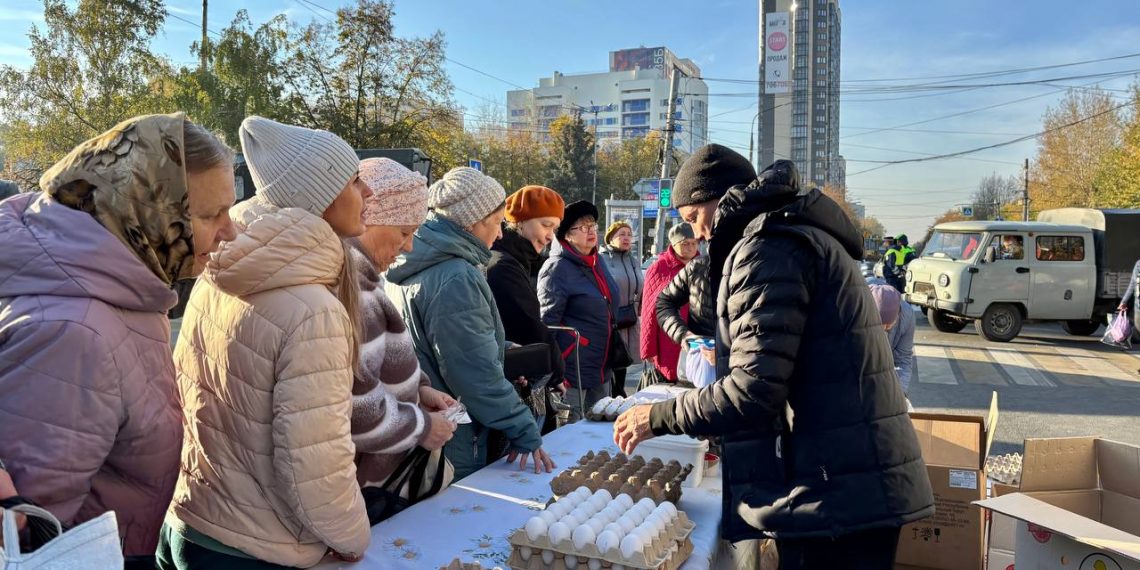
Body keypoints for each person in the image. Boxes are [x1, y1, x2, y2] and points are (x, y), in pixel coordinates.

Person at [614, 146, 934, 570]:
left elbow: (753, 389)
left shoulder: (767, 249)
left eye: (694, 218)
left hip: (834, 495)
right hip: (848, 481)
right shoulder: (793, 234)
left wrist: (656, 416)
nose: (700, 234)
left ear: (720, 198)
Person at [0, 113, 236, 566]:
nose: (231, 231)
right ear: (145, 210)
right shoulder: (73, 335)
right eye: (210, 215)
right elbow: (35, 537)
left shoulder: (126, 286)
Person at [162, 117, 373, 569]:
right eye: (356, 180)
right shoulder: (313, 310)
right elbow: (314, 465)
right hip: (257, 549)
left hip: (191, 520)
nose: (368, 193)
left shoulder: (222, 270)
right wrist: (353, 534)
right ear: (324, 195)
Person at [385, 167, 554, 481]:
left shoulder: (416, 261)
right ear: (474, 222)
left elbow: (438, 341)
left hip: (423, 424)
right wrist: (522, 427)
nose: (500, 234)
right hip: (454, 435)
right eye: (496, 223)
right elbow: (473, 374)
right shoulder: (456, 276)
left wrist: (498, 348)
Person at [346, 157, 458, 493]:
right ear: (370, 219)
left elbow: (377, 364)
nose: (408, 245)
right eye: (404, 231)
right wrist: (422, 429)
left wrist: (418, 387)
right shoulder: (353, 291)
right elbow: (356, 410)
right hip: (367, 483)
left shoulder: (366, 280)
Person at [486, 185, 567, 446]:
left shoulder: (517, 260)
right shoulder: (504, 264)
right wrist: (556, 371)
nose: (549, 237)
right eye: (545, 225)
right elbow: (528, 323)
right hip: (511, 378)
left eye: (554, 229)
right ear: (519, 221)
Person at [538, 200, 619, 422]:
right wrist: (555, 372)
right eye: (582, 227)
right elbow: (547, 325)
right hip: (572, 372)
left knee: (601, 431)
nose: (591, 231)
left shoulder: (596, 260)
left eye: (592, 225)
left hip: (601, 366)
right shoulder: (557, 268)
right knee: (572, 434)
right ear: (567, 235)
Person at [639, 223, 700, 385]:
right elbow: (649, 310)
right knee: (672, 383)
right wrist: (648, 349)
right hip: (669, 336)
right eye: (685, 243)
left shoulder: (703, 264)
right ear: (673, 244)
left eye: (694, 243)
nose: (690, 247)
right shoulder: (659, 267)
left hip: (699, 335)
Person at [600, 220, 644, 398]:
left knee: (623, 357)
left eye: (629, 234)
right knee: (611, 357)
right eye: (621, 234)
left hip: (629, 316)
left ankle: (618, 391)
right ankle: (613, 394)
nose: (626, 238)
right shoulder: (601, 258)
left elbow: (640, 285)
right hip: (610, 318)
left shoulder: (632, 259)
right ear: (611, 238)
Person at [656, 254, 716, 384]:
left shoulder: (758, 265)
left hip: (744, 371)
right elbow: (664, 302)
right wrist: (683, 334)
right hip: (699, 366)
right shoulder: (698, 266)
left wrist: (726, 355)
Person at [869, 284, 916, 397]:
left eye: (889, 325)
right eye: (880, 325)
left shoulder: (907, 316)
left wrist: (899, 394)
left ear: (898, 315)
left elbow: (903, 360)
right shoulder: (855, 311)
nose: (884, 329)